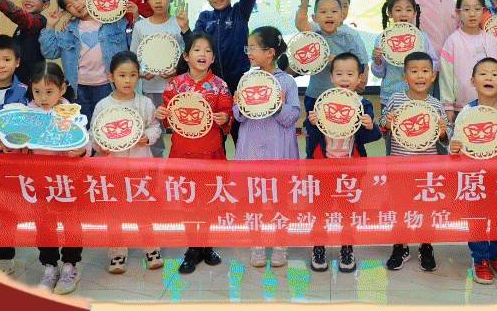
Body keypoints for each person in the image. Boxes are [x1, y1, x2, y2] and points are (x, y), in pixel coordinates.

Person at [156, 31, 232, 275]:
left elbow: (227, 113)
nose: (203, 54)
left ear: (213, 58)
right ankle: (193, 246)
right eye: (197, 49)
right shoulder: (175, 84)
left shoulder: (220, 85)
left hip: (211, 151)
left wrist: (224, 118)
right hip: (183, 151)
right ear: (186, 56)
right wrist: (162, 114)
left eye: (208, 51)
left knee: (209, 199)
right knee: (188, 201)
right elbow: (168, 116)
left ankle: (206, 245)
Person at [449, 58, 497, 284]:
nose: (489, 78)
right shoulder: (466, 112)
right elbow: (455, 143)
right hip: (475, 178)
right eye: (483, 74)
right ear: (473, 81)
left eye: (495, 74)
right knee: (477, 218)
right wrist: (453, 147)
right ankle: (480, 259)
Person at [307, 52, 382, 273]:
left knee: (348, 210)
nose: (344, 78)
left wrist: (370, 127)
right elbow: (311, 134)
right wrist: (311, 124)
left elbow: (372, 137)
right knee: (320, 209)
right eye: (339, 74)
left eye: (350, 74)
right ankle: (318, 246)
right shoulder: (322, 102)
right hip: (323, 168)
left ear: (360, 78)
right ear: (331, 77)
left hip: (351, 169)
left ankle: (347, 247)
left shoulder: (363, 104)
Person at [233, 26, 300, 269]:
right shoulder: (247, 79)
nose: (249, 53)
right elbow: (238, 116)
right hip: (252, 147)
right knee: (254, 199)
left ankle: (280, 245)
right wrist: (239, 105)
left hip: (278, 148)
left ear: (270, 52)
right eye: (248, 48)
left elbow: (293, 116)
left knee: (280, 198)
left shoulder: (287, 82)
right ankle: (257, 244)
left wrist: (279, 106)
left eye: (253, 48)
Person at [92, 51, 164, 274]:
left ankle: (151, 249)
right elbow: (94, 134)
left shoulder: (144, 103)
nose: (127, 80)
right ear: (111, 77)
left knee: (143, 208)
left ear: (138, 76)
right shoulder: (103, 105)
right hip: (112, 168)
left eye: (133, 75)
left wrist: (147, 137)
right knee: (115, 209)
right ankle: (117, 253)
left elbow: (155, 127)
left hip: (140, 165)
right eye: (122, 75)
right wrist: (100, 146)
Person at [380, 51, 450, 272]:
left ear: (433, 76)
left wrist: (443, 131)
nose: (420, 75)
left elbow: (445, 138)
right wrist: (387, 122)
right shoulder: (395, 100)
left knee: (426, 208)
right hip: (400, 166)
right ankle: (400, 246)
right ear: (405, 77)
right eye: (414, 71)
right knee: (399, 207)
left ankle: (426, 246)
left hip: (427, 169)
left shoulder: (436, 104)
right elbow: (383, 127)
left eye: (425, 71)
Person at [24, 63, 89, 294]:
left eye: (49, 91)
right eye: (37, 91)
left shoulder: (72, 113)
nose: (43, 98)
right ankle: (50, 266)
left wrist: (81, 151)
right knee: (44, 224)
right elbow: (21, 146)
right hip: (40, 182)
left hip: (68, 181)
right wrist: (10, 145)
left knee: (71, 222)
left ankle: (70, 265)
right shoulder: (27, 114)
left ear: (62, 88)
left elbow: (85, 141)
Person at [194, 0, 258, 144]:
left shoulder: (240, 12)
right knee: (215, 137)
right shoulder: (204, 18)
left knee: (242, 136)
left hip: (239, 83)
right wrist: (184, 28)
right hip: (212, 85)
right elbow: (194, 47)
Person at [39, 0, 129, 128]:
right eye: (69, 6)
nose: (76, 5)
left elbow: (133, 43)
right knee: (83, 128)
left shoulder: (114, 22)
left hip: (108, 85)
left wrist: (135, 16)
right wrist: (50, 26)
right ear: (68, 11)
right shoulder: (68, 29)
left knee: (107, 127)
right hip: (78, 89)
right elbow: (49, 52)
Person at [300, 0, 369, 157]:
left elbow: (361, 65)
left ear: (342, 16)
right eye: (323, 12)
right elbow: (300, 23)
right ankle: (315, 169)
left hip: (345, 99)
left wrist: (339, 61)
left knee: (347, 138)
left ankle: (348, 167)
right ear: (315, 18)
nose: (329, 15)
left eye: (334, 11)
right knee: (315, 141)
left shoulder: (349, 38)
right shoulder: (313, 37)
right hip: (315, 96)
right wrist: (305, 0)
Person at [130, 0, 190, 157]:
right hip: (151, 88)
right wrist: (140, 74)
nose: (158, 1)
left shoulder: (178, 23)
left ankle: (182, 161)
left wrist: (177, 70)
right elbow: (134, 57)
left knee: (182, 126)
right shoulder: (141, 26)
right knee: (155, 129)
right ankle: (156, 163)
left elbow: (189, 52)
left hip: (177, 87)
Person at [372, 0, 439, 122]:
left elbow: (434, 65)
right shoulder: (382, 39)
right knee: (391, 130)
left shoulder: (422, 38)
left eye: (408, 10)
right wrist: (377, 60)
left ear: (414, 13)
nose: (403, 14)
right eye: (398, 10)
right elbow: (379, 74)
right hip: (390, 97)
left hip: (418, 95)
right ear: (390, 13)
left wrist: (425, 61)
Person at [439, 0, 497, 124]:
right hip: (461, 107)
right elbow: (446, 75)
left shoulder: (490, 40)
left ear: (484, 12)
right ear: (458, 13)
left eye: (477, 9)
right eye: (466, 9)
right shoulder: (453, 41)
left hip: (491, 106)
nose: (472, 14)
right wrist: (448, 105)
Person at [0, 35, 29, 274]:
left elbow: (25, 126)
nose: (0, 65)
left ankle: (5, 255)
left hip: (9, 162)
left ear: (16, 62)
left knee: (7, 208)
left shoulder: (24, 91)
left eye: (6, 59)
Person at [0, 0, 52, 86]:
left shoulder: (38, 22)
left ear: (46, 4)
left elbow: (17, 14)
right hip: (17, 81)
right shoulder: (22, 25)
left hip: (31, 83)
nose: (29, 0)